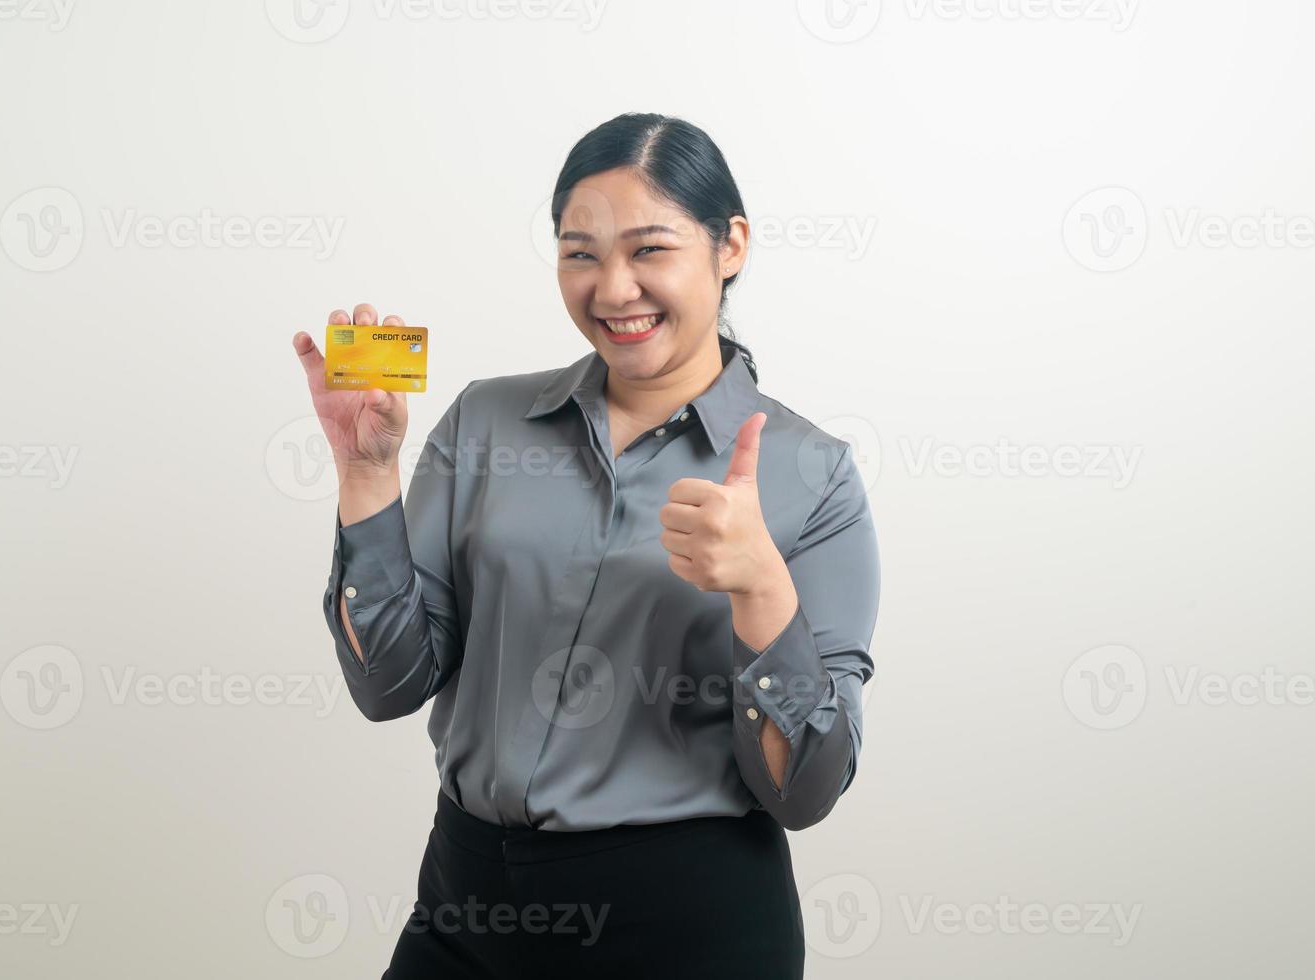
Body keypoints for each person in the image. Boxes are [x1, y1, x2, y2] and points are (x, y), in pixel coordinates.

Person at [290, 112, 881, 980]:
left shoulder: (814, 476)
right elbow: (388, 686)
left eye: (649, 250)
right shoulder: (485, 422)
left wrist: (761, 589)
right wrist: (367, 474)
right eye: (580, 253)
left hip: (684, 928)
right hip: (463, 904)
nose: (612, 289)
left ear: (731, 246)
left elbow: (807, 791)